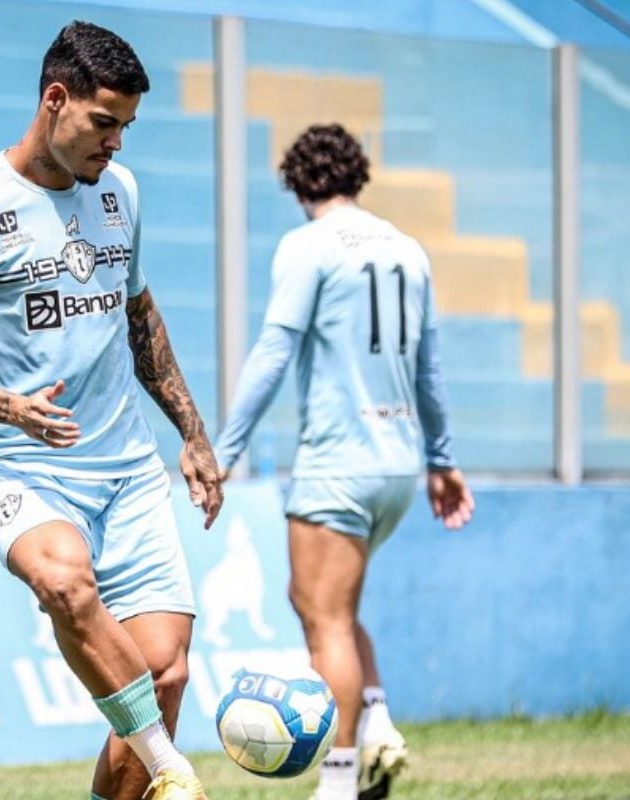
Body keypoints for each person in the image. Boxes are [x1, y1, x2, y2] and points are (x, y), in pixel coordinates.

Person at [0, 21, 222, 800]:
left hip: (127, 466)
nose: (117, 147)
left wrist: (194, 434)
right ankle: (175, 771)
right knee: (65, 584)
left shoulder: (121, 193)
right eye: (104, 124)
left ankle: (156, 761)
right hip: (20, 461)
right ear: (55, 100)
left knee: (164, 674)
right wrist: (6, 405)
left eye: (127, 129)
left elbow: (136, 314)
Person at [213, 124, 475, 800]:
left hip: (338, 461)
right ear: (355, 178)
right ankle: (379, 720)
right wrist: (441, 460)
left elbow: (273, 353)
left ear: (299, 185)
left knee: (318, 612)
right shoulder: (408, 250)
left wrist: (223, 452)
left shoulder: (308, 246)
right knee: (336, 606)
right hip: (398, 466)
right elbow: (431, 369)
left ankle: (339, 779)